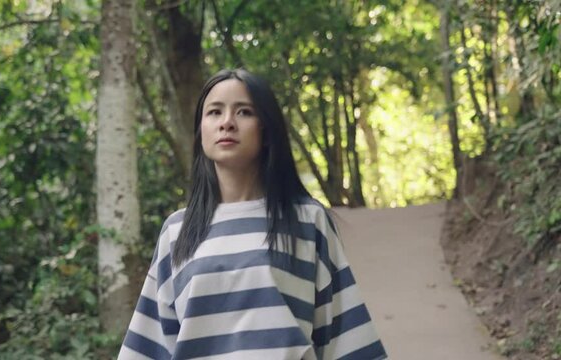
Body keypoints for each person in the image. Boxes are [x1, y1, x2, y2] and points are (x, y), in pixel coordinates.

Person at [117, 69, 387, 359]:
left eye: (244, 112)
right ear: (201, 131)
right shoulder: (177, 231)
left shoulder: (307, 221)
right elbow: (150, 344)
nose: (227, 123)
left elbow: (346, 338)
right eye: (214, 112)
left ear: (267, 131)